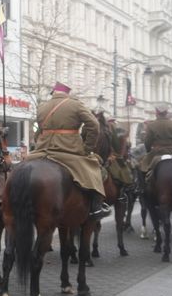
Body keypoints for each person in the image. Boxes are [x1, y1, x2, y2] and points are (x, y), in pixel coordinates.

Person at [27, 81, 111, 219]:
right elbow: (94, 125)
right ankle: (96, 208)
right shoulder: (75, 104)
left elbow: (38, 133)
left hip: (42, 150)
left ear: (53, 92)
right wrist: (87, 148)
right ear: (67, 93)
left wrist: (39, 145)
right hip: (69, 151)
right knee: (95, 170)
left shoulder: (42, 107)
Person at [139, 105, 172, 178]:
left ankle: (143, 186)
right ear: (166, 113)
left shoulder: (151, 125)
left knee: (143, 166)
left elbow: (148, 142)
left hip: (157, 151)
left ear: (156, 113)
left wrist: (149, 150)